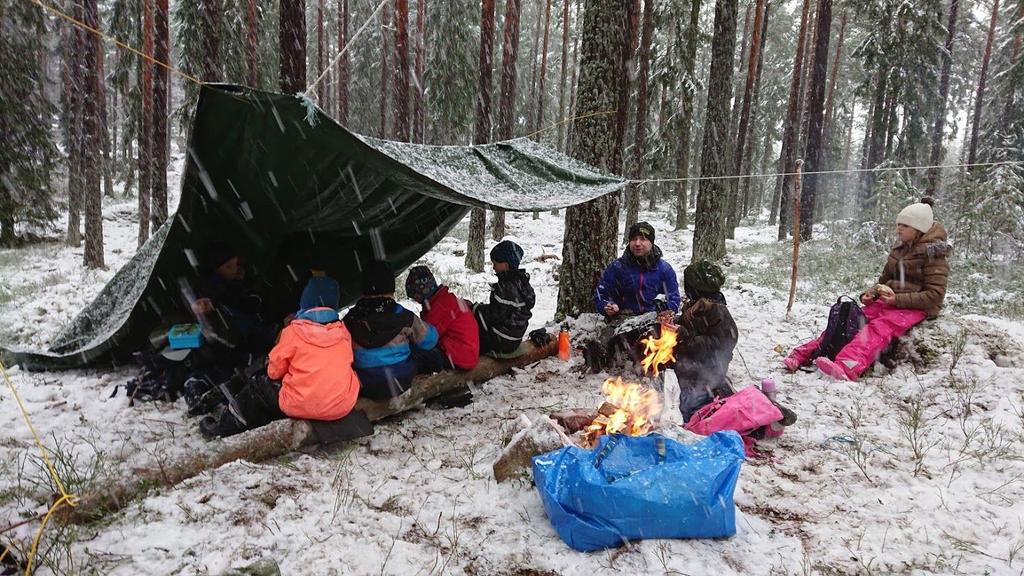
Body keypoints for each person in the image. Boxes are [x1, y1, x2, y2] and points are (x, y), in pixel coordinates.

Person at [783, 197, 951, 381]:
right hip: (890, 302)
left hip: (914, 308)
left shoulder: (934, 256)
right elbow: (884, 281)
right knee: (851, 321)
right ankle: (804, 354)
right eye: (898, 224)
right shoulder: (899, 251)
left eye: (905, 225)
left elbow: (935, 295)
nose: (899, 229)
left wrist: (897, 300)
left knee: (878, 329)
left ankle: (848, 365)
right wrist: (871, 294)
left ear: (919, 229)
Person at [199, 275, 361, 438]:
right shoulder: (343, 331)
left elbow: (273, 372)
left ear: (304, 303)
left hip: (304, 404)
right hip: (342, 405)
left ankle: (223, 428)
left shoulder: (293, 332)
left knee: (258, 386)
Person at [344, 260, 441, 399]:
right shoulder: (404, 316)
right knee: (427, 352)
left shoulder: (351, 319)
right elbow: (430, 340)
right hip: (399, 381)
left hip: (364, 382)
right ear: (392, 288)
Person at [671, 260, 738, 420]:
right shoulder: (694, 307)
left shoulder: (717, 311)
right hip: (688, 370)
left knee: (690, 409)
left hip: (708, 373)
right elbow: (690, 327)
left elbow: (719, 344)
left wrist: (686, 337)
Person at [191, 242, 277, 362]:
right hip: (239, 350)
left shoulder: (245, 278)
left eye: (235, 264)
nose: (234, 269)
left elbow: (254, 302)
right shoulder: (209, 291)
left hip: (258, 338)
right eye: (228, 266)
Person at [594, 221, 680, 322]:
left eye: (643, 239)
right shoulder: (617, 268)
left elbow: (674, 299)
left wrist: (665, 310)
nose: (637, 244)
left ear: (651, 243)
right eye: (634, 239)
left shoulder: (664, 269)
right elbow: (601, 294)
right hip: (622, 320)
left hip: (655, 320)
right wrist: (607, 306)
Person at [405, 265, 480, 371]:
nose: (415, 301)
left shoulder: (440, 307)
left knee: (412, 353)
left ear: (420, 293)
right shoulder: (444, 300)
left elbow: (425, 339)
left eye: (414, 296)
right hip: (466, 354)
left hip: (459, 358)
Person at [473, 240, 536, 357]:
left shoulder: (505, 287)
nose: (493, 267)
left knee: (473, 326)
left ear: (505, 265)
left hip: (502, 340)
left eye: (495, 263)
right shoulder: (522, 283)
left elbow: (495, 315)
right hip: (515, 338)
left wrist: (476, 309)